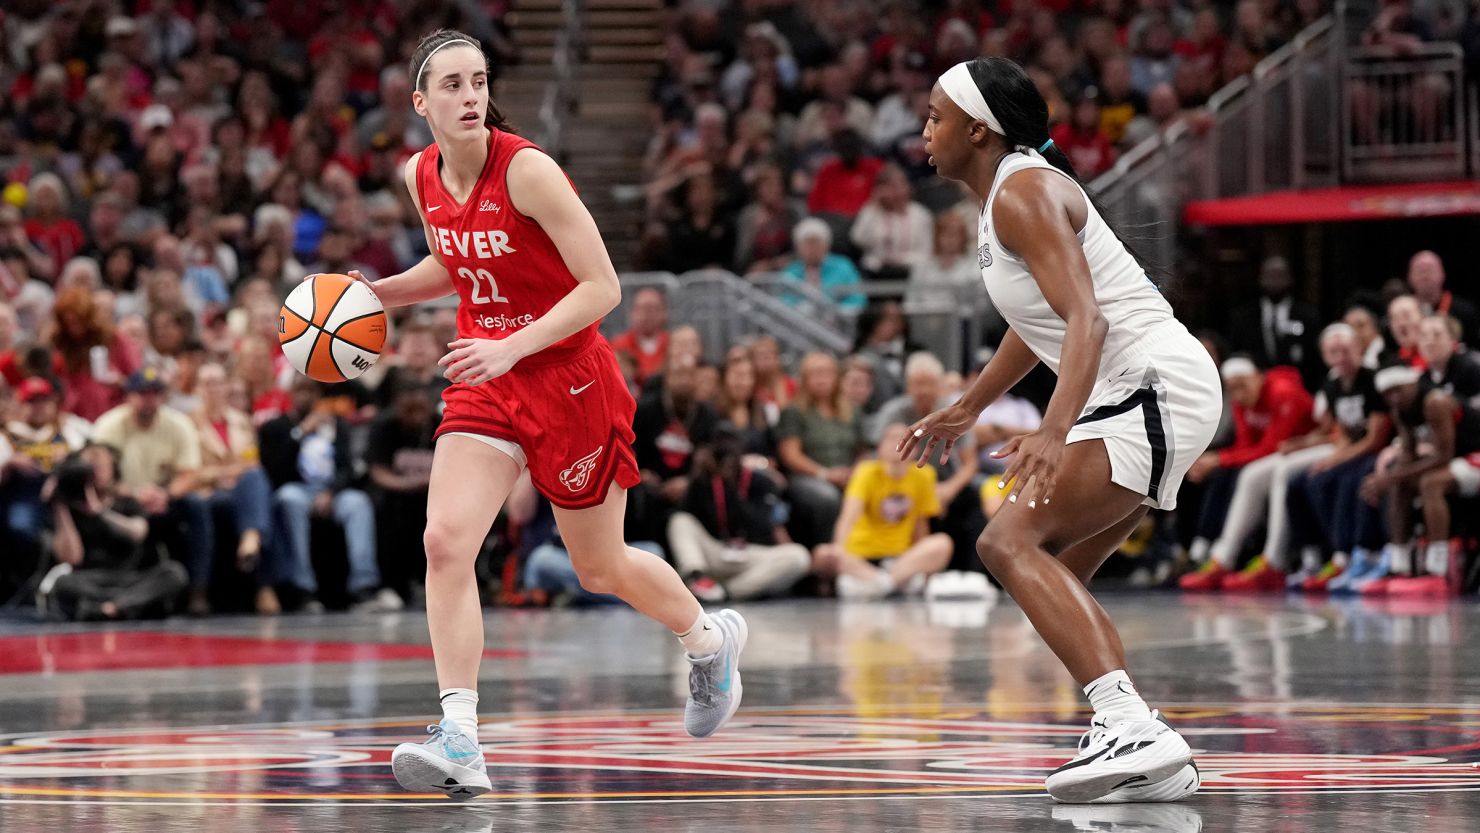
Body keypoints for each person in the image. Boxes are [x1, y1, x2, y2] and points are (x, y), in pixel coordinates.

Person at [344, 31, 747, 800]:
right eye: (452, 85)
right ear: (420, 103)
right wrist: (374, 293)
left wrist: (510, 346)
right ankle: (460, 732)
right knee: (444, 541)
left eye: (479, 82)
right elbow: (455, 263)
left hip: (568, 376)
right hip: (485, 380)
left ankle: (708, 640)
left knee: (600, 566)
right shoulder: (418, 175)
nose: (470, 97)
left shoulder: (528, 170)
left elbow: (602, 287)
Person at [899, 58, 1222, 802]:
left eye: (935, 117)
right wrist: (970, 404)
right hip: (1144, 389)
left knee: (1004, 541)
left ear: (978, 129)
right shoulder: (1001, 199)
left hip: (1151, 383)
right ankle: (1142, 743)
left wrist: (1052, 430)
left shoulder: (1024, 190)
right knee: (1056, 572)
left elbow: (1088, 316)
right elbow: (1035, 322)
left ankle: (1131, 724)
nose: (925, 131)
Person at [1179, 357, 1314, 589]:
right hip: (1284, 453)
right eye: (1232, 388)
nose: (1239, 393)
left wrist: (1219, 459)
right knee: (1249, 475)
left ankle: (1274, 561)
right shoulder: (1239, 400)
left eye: (1243, 385)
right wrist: (1215, 460)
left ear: (1259, 377)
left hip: (1309, 446)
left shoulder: (1283, 392)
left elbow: (1272, 446)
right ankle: (1222, 559)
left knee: (1273, 470)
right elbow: (1245, 445)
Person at [1356, 365, 1480, 595]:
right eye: (1388, 393)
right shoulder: (1399, 410)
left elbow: (1444, 455)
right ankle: (1398, 565)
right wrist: (1386, 480)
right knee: (1401, 485)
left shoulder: (1435, 402)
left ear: (1412, 385)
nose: (1394, 397)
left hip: (1473, 455)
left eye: (1398, 390)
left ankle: (1437, 570)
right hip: (1457, 461)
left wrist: (1390, 477)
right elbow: (1408, 454)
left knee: (1430, 483)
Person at [43, 446, 189, 621]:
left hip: (130, 577)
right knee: (63, 583)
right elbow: (72, 558)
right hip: (90, 578)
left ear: (113, 470)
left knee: (174, 572)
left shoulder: (126, 501)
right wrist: (60, 506)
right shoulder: (70, 508)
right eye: (89, 468)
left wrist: (99, 512)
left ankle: (107, 608)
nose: (94, 473)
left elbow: (138, 533)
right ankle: (126, 606)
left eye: (99, 468)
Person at [667, 428, 810, 602]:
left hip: (749, 555)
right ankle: (696, 579)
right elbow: (686, 517)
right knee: (680, 521)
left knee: (798, 556)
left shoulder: (761, 481)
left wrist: (732, 489)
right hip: (713, 552)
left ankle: (724, 593)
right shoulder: (702, 480)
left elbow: (760, 525)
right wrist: (698, 478)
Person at [814, 422, 954, 599]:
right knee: (823, 554)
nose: (899, 443)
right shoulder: (865, 471)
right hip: (861, 557)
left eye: (906, 438)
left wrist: (922, 561)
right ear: (879, 447)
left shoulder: (924, 475)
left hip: (899, 559)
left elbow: (921, 525)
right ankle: (891, 583)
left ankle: (880, 584)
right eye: (892, 438)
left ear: (916, 449)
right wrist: (839, 553)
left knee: (942, 543)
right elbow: (848, 517)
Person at [191, 361, 279, 615]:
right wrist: (221, 474)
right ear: (198, 389)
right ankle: (263, 583)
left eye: (218, 382)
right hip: (207, 491)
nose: (214, 389)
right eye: (207, 383)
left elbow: (252, 461)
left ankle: (252, 545)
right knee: (256, 494)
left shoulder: (241, 421)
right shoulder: (188, 423)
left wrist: (236, 474)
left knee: (258, 482)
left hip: (241, 489)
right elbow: (188, 469)